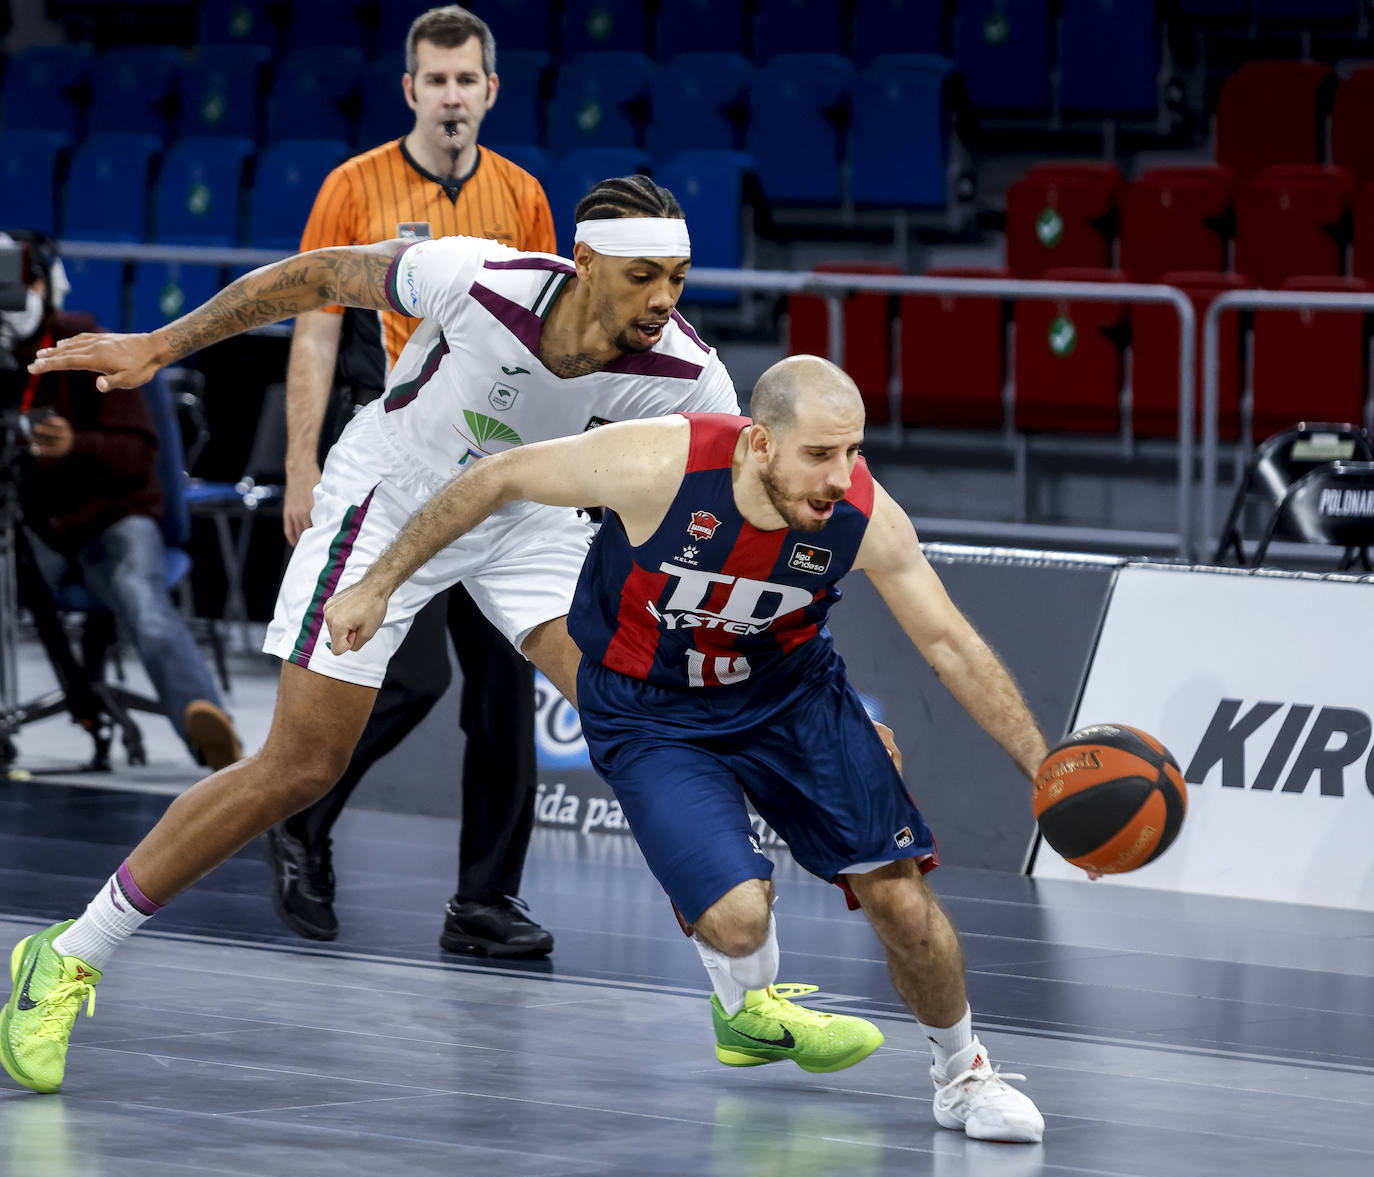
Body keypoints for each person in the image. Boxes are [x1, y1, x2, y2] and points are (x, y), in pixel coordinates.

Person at [3, 177, 882, 1099]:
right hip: (392, 497)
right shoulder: (479, 278)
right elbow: (315, 278)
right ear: (584, 265)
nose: (663, 299)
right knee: (302, 764)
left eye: (677, 277)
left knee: (645, 730)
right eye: (642, 277)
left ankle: (747, 999)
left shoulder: (690, 374)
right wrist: (159, 344)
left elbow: (731, 516)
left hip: (531, 522)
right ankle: (66, 953)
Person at [315, 355, 1051, 1143]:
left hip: (791, 697)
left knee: (903, 901)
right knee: (737, 920)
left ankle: (964, 1073)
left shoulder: (863, 515)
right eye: (819, 455)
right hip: (651, 712)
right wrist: (378, 582)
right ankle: (744, 998)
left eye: (854, 451)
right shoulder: (658, 463)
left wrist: (1047, 770)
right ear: (761, 443)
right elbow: (495, 477)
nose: (841, 476)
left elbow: (952, 645)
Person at [268, 3, 559, 956]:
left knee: (505, 689)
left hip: (494, 471)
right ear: (409, 90)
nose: (450, 97)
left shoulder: (523, 198)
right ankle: (301, 819)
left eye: (465, 80)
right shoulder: (350, 188)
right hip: (391, 466)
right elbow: (312, 329)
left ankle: (484, 901)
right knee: (411, 673)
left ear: (489, 91)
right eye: (433, 81)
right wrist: (300, 461)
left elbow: (550, 348)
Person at [1, 230, 240, 771]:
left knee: (139, 596)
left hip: (117, 519)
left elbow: (140, 453)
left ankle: (208, 730)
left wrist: (73, 445)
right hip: (38, 529)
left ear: (43, 285)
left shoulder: (88, 342)